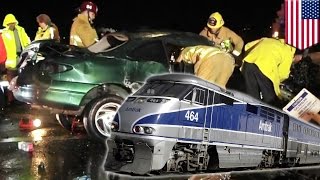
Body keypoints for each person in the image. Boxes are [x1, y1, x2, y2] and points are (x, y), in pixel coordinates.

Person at [240, 37, 303, 107]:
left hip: (248, 62)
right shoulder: (288, 52)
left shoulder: (270, 40)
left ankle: (252, 112)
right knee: (270, 99)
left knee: (252, 97)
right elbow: (283, 74)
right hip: (264, 68)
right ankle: (267, 115)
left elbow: (248, 46)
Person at [1, 13, 31, 105]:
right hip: (11, 61)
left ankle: (22, 99)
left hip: (22, 58)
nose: (11, 25)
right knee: (11, 82)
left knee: (21, 80)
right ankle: (11, 100)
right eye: (9, 23)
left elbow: (26, 41)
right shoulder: (4, 33)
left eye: (12, 23)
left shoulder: (21, 30)